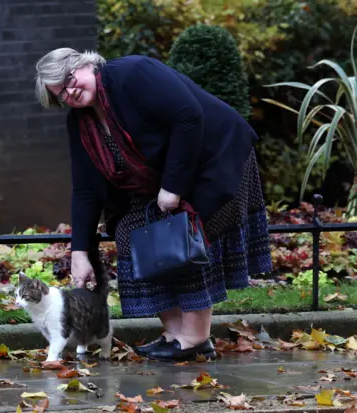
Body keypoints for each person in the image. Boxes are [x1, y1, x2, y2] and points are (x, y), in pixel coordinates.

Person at [33, 48, 273, 362]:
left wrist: (172, 188)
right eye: (61, 93)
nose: (71, 92)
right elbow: (86, 190)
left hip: (213, 160)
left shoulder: (134, 73)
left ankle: (195, 338)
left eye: (69, 80)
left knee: (188, 238)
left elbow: (188, 117)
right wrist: (80, 253)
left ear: (86, 64)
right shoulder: (80, 123)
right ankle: (174, 333)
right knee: (131, 234)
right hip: (155, 182)